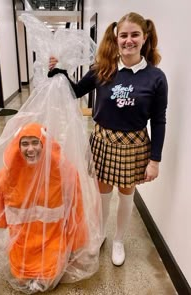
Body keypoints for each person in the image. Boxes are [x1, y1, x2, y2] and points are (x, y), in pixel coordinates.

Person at [48, 12, 168, 266]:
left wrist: (155, 160)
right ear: (116, 38)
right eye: (123, 35)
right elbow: (75, 91)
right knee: (102, 193)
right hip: (102, 141)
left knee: (126, 194)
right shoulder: (103, 68)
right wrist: (58, 72)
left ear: (144, 38)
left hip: (134, 146)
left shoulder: (156, 78)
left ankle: (118, 241)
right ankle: (101, 235)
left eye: (135, 35)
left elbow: (159, 120)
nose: (128, 40)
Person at [0, 122, 90, 293]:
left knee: (50, 272)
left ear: (45, 143)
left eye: (35, 142)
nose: (30, 149)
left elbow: (76, 204)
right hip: (21, 238)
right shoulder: (8, 174)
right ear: (17, 146)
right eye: (25, 143)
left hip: (52, 236)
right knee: (21, 272)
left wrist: (76, 236)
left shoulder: (62, 171)